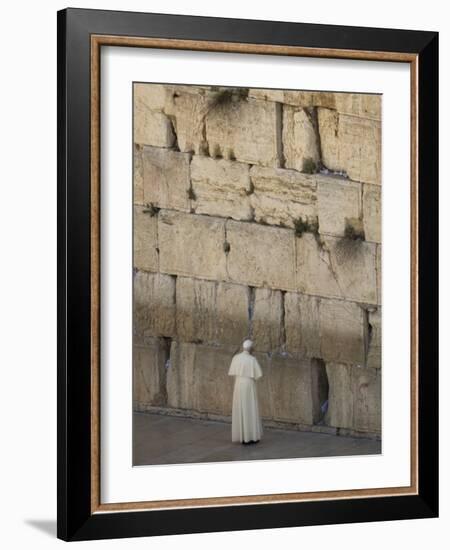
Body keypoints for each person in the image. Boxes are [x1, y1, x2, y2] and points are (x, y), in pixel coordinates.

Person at [228, 340, 263, 444]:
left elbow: (233, 372)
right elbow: (258, 374)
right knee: (250, 408)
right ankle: (251, 436)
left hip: (238, 384)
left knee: (241, 408)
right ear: (251, 348)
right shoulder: (252, 359)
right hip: (248, 385)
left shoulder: (236, 358)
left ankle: (243, 436)